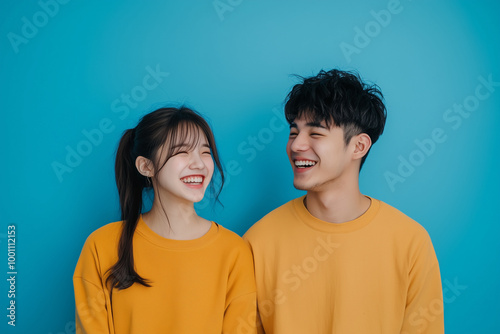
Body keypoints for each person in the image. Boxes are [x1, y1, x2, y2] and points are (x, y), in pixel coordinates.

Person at [244, 69, 444, 334]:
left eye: (315, 133)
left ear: (359, 146)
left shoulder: (410, 242)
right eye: (293, 133)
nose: (296, 145)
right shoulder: (257, 242)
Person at [74, 107, 257, 334]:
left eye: (205, 152)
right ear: (146, 166)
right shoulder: (101, 245)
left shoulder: (234, 251)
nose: (199, 163)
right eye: (182, 152)